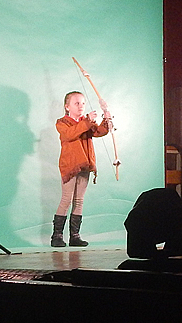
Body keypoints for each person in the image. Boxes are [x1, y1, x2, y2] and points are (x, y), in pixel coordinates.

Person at [51, 91, 112, 248]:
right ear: (67, 107)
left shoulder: (87, 122)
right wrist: (87, 121)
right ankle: (57, 236)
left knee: (79, 200)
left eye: (83, 103)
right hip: (70, 165)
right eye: (76, 103)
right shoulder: (62, 123)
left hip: (84, 164)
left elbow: (101, 131)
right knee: (67, 199)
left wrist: (106, 116)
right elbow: (70, 134)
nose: (81, 106)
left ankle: (75, 236)